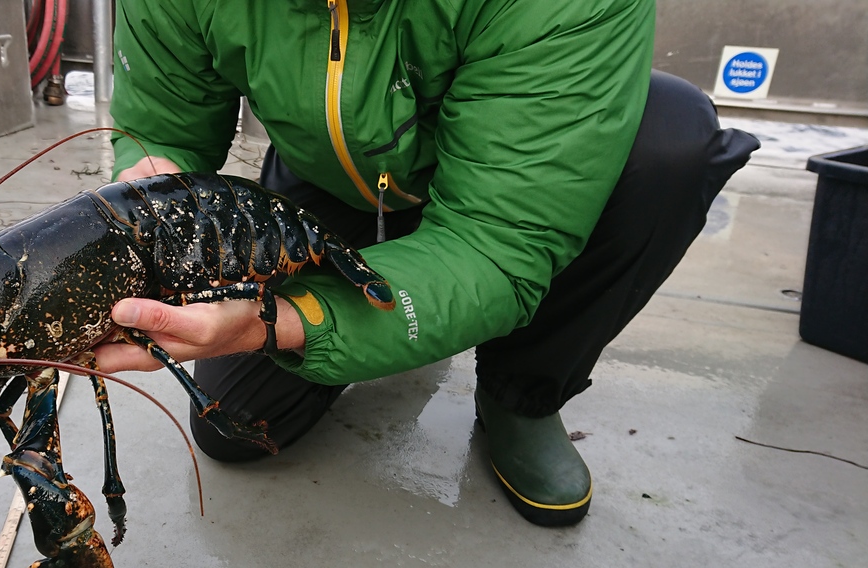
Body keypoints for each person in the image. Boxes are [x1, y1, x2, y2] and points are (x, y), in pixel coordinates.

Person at [89, 0, 760, 526]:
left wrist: (276, 320)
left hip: (506, 184)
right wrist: (152, 180)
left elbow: (498, 241)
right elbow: (163, 127)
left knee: (669, 143)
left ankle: (522, 394)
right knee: (235, 426)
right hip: (330, 179)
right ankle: (412, 307)